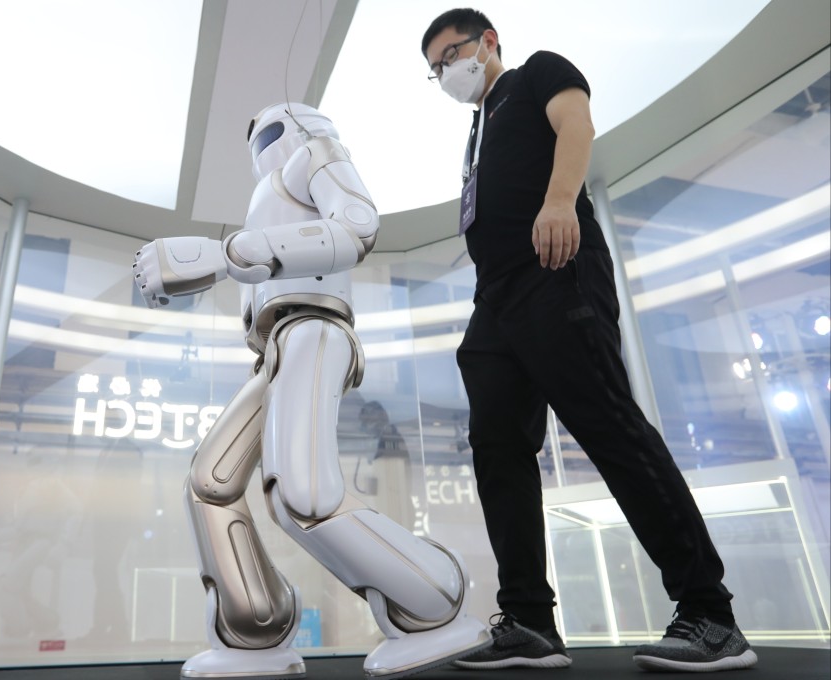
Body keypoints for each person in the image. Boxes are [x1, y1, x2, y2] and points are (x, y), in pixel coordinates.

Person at [420, 8, 758, 673]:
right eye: (434, 69)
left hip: (556, 272)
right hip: (496, 299)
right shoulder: (477, 132)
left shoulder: (539, 73)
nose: (445, 72)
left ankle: (710, 614)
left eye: (450, 54)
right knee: (497, 448)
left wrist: (558, 199)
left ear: (487, 42)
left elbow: (577, 124)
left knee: (609, 426)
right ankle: (529, 621)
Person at [132, 103, 490, 679]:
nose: (261, 145)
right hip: (275, 348)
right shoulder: (266, 198)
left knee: (304, 495)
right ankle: (256, 625)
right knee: (211, 485)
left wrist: (222, 257)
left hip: (315, 330)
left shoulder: (314, 155)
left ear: (298, 125)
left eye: (268, 131)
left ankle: (432, 597)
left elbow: (356, 226)